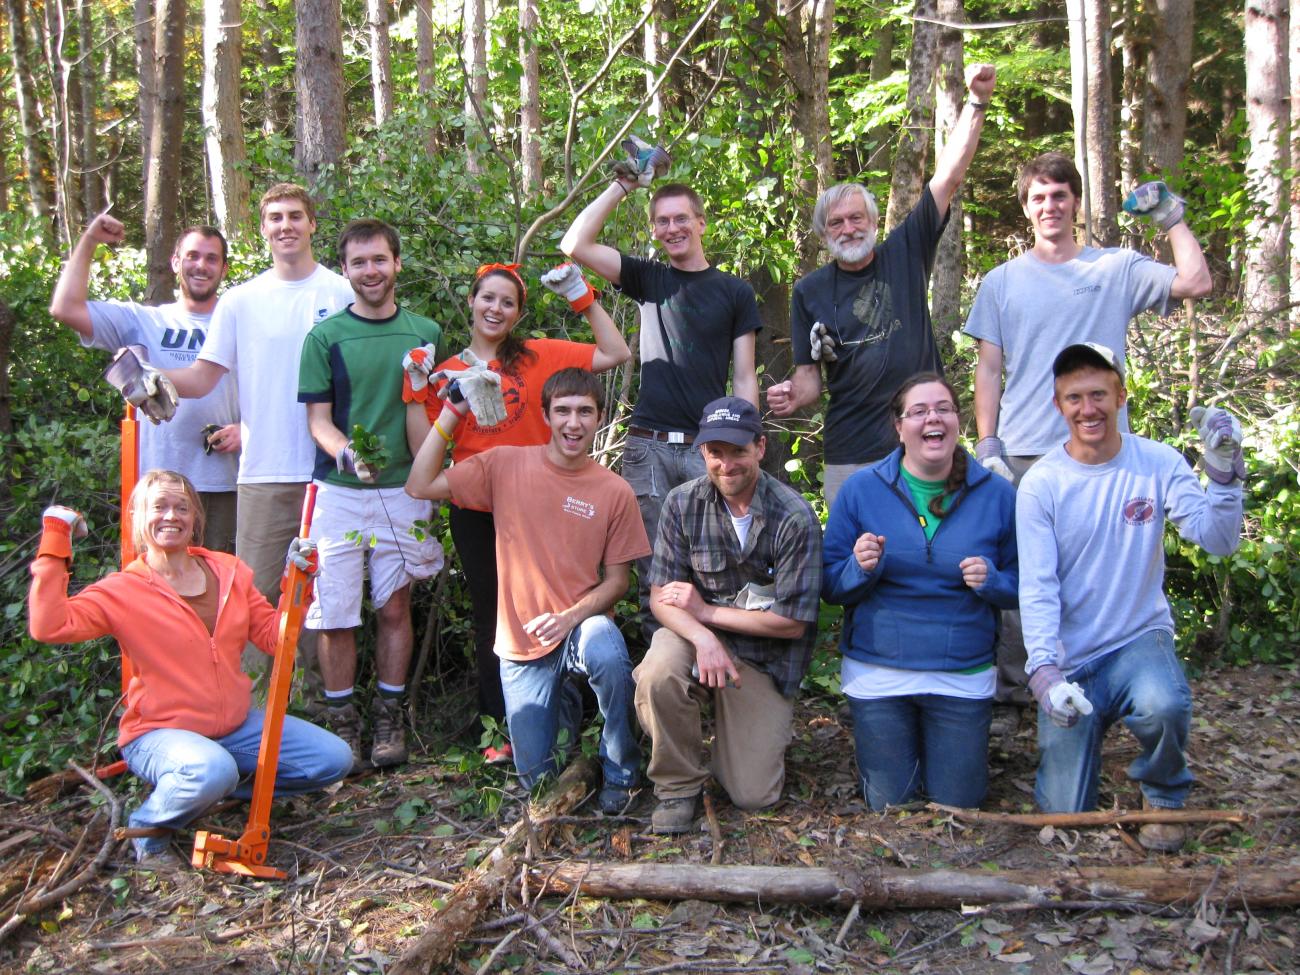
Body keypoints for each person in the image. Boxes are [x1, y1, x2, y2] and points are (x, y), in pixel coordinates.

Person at [962, 151, 1213, 727]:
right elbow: (990, 369)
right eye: (1038, 197)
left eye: (1059, 194)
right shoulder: (1001, 281)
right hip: (1025, 451)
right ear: (1025, 209)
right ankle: (1015, 693)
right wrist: (988, 443)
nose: (1050, 206)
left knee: (1100, 571)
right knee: (1022, 575)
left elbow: (1195, 281)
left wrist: (1170, 217)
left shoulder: (1115, 269)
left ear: (1075, 201)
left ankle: (1098, 684)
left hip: (1105, 456)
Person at [27, 470, 352, 869]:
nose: (171, 516)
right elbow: (49, 625)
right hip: (159, 733)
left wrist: (296, 583)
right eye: (159, 506)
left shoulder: (229, 572)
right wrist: (56, 539)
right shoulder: (123, 590)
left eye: (182, 507)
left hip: (233, 728)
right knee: (211, 769)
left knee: (333, 759)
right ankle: (148, 829)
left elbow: (274, 638)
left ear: (195, 518)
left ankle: (213, 788)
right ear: (138, 516)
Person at [1017, 343, 1244, 852]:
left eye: (1098, 394)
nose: (1088, 409)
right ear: (1058, 406)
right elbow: (1037, 585)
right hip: (1072, 658)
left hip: (1138, 638)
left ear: (1120, 395)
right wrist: (1045, 672)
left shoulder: (1157, 463)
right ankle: (1074, 761)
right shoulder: (1042, 484)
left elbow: (1218, 539)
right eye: (1074, 398)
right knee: (1063, 817)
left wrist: (1223, 474)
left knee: (1165, 703)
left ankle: (1163, 798)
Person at [402, 261, 631, 764]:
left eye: (508, 302)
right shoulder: (444, 373)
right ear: (472, 301)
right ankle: (501, 732)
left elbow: (617, 352)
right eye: (488, 298)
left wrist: (581, 295)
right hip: (479, 509)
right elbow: (424, 461)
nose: (496, 309)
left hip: (543, 504)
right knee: (494, 616)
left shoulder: (539, 356)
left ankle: (581, 718)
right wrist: (430, 394)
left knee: (570, 603)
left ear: (519, 313)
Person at [406, 368, 648, 812]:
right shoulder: (505, 464)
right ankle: (566, 712)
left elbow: (618, 581)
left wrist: (569, 618)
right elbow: (419, 484)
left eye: (584, 412)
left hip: (578, 630)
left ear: (599, 418)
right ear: (546, 415)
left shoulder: (614, 492)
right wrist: (453, 411)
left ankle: (622, 772)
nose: (573, 423)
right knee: (538, 782)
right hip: (522, 644)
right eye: (562, 411)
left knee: (607, 647)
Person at [767, 63, 998, 506]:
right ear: (824, 235)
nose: (849, 228)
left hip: (925, 443)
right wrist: (791, 396)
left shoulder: (905, 253)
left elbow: (947, 177)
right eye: (836, 223)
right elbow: (810, 380)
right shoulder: (809, 292)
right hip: (852, 452)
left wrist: (976, 102)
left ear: (874, 222)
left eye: (858, 218)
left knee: (938, 551)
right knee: (860, 561)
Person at [152, 183, 355, 678]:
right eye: (275, 218)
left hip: (331, 473)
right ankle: (257, 710)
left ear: (312, 225)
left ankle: (319, 712)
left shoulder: (342, 292)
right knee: (255, 595)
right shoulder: (241, 300)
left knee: (325, 599)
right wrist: (151, 377)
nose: (285, 226)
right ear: (263, 229)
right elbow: (203, 376)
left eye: (295, 216)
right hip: (263, 472)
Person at [560, 167, 761, 639]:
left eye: (681, 219)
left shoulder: (734, 291)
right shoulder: (649, 278)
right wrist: (624, 186)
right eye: (662, 222)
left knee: (716, 560)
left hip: (706, 447)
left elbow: (745, 375)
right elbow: (575, 245)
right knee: (655, 570)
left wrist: (746, 441)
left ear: (701, 222)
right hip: (647, 447)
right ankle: (661, 681)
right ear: (654, 230)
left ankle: (713, 668)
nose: (672, 229)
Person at [821, 373, 1018, 810]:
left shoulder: (997, 494)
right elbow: (830, 586)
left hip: (961, 671)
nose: (934, 418)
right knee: (892, 805)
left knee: (959, 803)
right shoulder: (861, 490)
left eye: (944, 409)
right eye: (919, 411)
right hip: (880, 671)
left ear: (958, 421)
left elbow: (1026, 586)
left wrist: (994, 582)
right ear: (899, 426)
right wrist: (859, 568)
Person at [634, 397, 822, 834]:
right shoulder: (682, 503)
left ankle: (735, 739)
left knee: (754, 795)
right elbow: (661, 597)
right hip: (695, 638)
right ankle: (677, 787)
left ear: (760, 447)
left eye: (737, 450)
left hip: (761, 656)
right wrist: (702, 636)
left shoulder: (794, 516)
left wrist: (705, 611)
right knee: (658, 671)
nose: (726, 463)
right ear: (702, 453)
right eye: (715, 452)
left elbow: (791, 622)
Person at [298, 219, 446, 768]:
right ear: (345, 270)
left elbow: (439, 412)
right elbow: (318, 420)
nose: (370, 272)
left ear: (397, 263)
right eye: (359, 263)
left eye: (379, 260)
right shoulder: (325, 337)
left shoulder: (425, 332)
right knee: (334, 610)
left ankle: (389, 717)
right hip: (336, 491)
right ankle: (340, 725)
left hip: (406, 490)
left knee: (394, 604)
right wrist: (344, 452)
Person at [49, 213, 240, 552]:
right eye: (193, 256)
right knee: (154, 596)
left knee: (217, 590)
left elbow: (272, 390)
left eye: (212, 259)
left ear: (224, 269)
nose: (201, 266)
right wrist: (90, 240)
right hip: (157, 486)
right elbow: (65, 307)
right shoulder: (142, 321)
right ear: (175, 262)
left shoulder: (241, 323)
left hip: (223, 484)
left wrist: (246, 428)